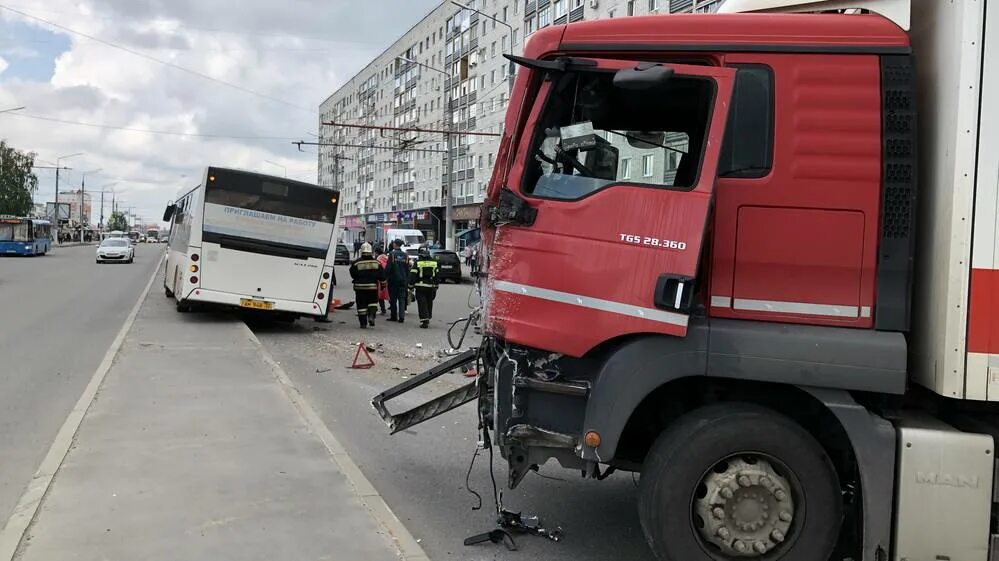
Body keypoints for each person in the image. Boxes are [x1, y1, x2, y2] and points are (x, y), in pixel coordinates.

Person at [348, 243, 384, 329]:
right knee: (373, 303)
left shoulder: (356, 263)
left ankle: (363, 323)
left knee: (361, 306)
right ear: (371, 252)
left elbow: (352, 273)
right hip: (372, 287)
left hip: (360, 288)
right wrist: (383, 285)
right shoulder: (376, 263)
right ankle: (371, 316)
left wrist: (358, 278)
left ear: (361, 251)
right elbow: (382, 275)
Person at [409, 246, 439, 329]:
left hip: (420, 286)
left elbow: (413, 275)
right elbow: (437, 275)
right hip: (431, 286)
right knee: (429, 302)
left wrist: (410, 286)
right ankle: (428, 316)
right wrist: (436, 286)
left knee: (422, 303)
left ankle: (424, 320)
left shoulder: (418, 263)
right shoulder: (434, 262)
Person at [385, 239, 410, 322]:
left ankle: (394, 316)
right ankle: (401, 317)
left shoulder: (391, 254)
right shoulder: (405, 255)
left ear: (395, 245)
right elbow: (407, 269)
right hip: (403, 280)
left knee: (393, 299)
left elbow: (388, 268)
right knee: (402, 299)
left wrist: (385, 277)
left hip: (393, 280)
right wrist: (407, 280)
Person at [376, 250, 389, 315]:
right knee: (390, 295)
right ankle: (393, 309)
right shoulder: (387, 259)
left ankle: (383, 310)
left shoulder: (379, 260)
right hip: (388, 280)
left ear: (377, 253)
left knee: (380, 296)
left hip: (381, 280)